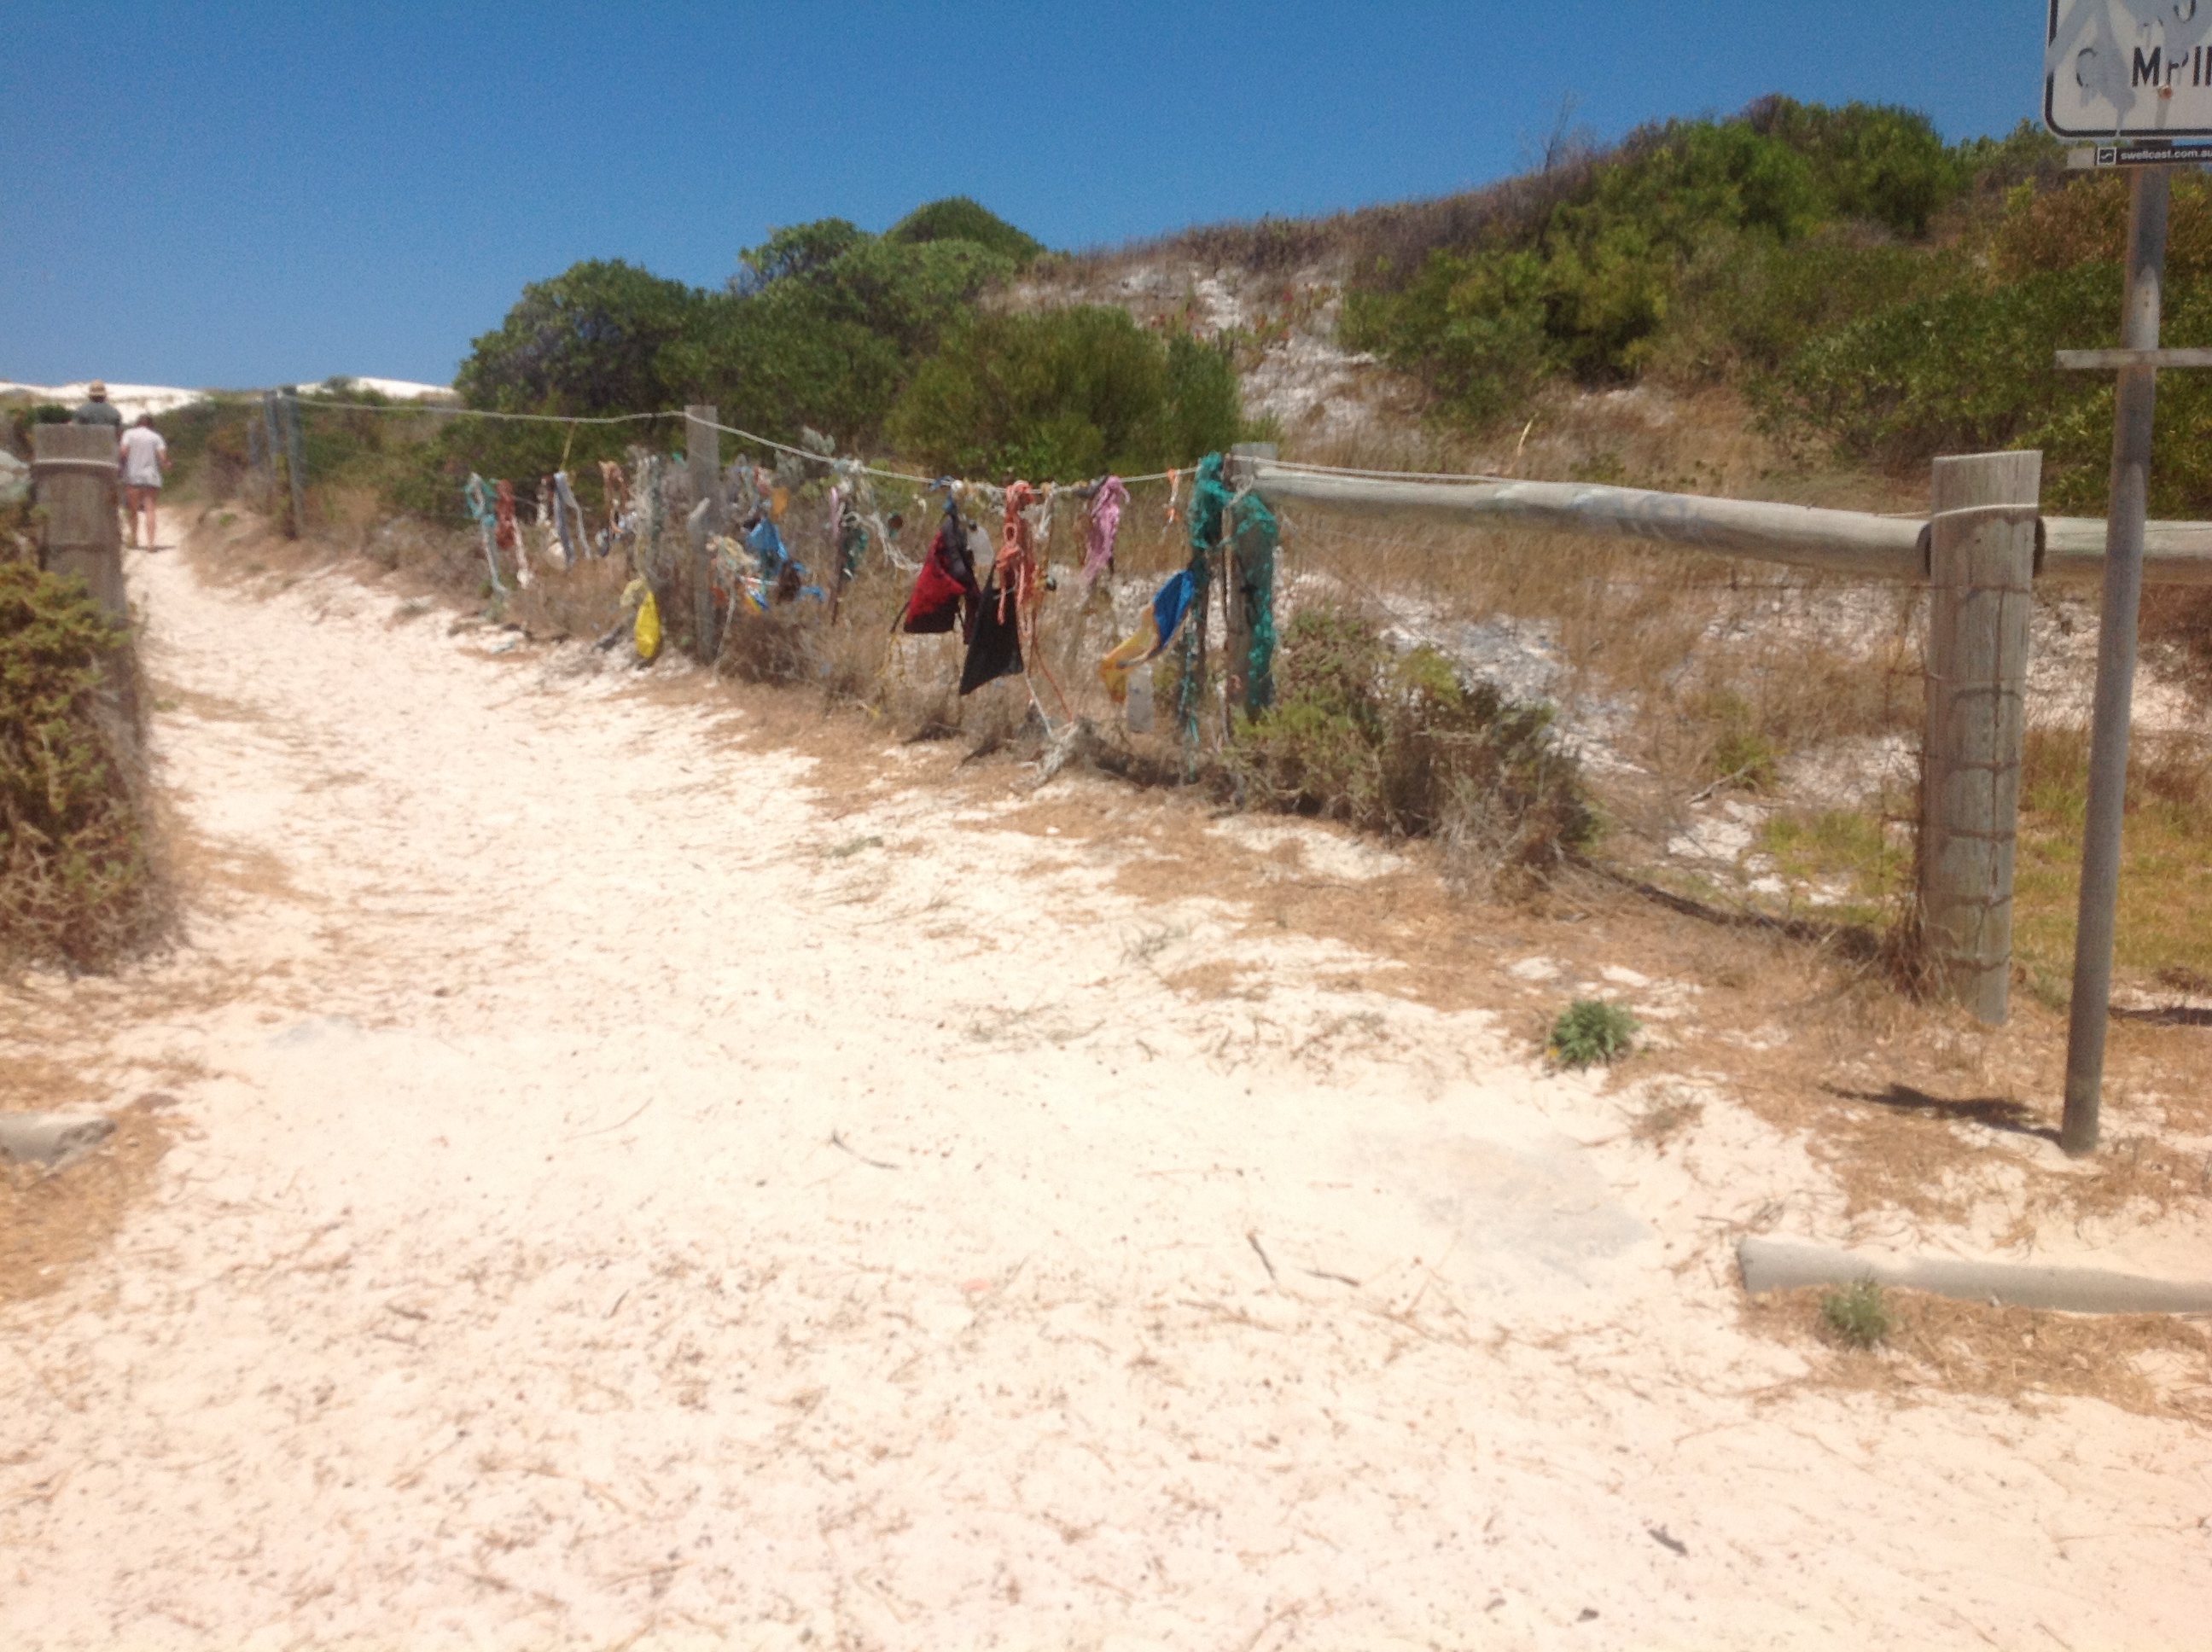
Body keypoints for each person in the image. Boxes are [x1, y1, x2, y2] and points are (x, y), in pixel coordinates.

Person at [118, 413, 170, 550]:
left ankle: (134, 539)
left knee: (133, 510)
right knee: (150, 509)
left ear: (137, 423)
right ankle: (151, 543)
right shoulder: (156, 437)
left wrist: (127, 462)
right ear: (151, 425)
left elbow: (123, 452)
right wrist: (166, 465)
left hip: (132, 476)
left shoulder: (129, 434)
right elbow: (162, 458)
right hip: (151, 477)